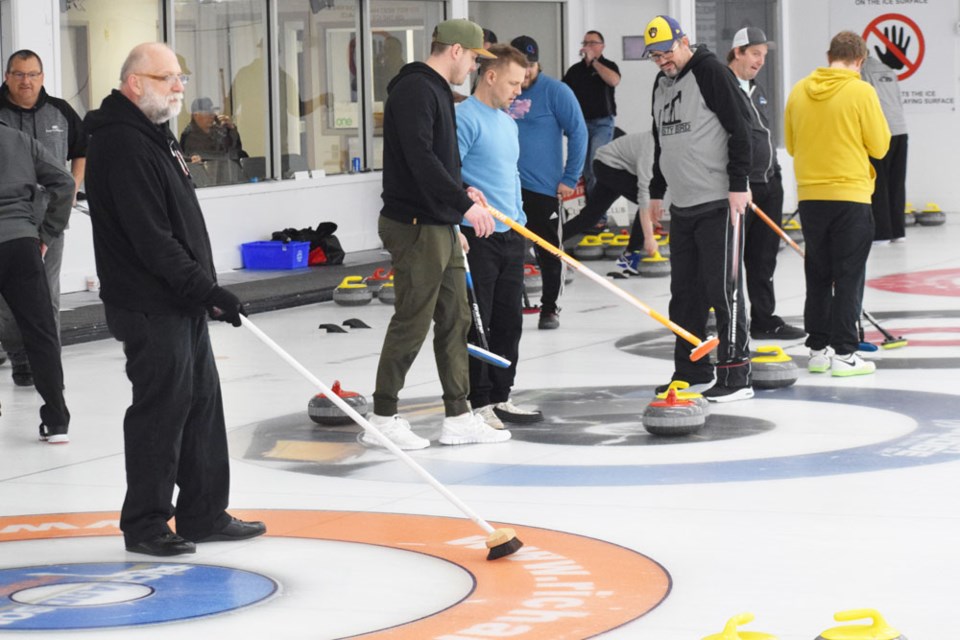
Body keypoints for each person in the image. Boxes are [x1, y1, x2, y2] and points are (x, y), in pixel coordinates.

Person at [83, 42, 266, 556]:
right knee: (162, 411)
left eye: (180, 78)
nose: (180, 88)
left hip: (179, 299)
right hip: (147, 302)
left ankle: (204, 512)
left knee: (202, 404)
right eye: (168, 79)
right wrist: (207, 288)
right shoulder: (121, 143)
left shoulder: (155, 135)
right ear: (135, 82)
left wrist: (201, 291)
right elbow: (152, 239)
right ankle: (144, 523)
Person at [371, 19, 509, 450]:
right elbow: (419, 159)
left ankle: (459, 415)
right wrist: (462, 207)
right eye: (472, 58)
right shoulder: (416, 89)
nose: (472, 67)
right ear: (454, 50)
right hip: (415, 226)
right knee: (413, 320)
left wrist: (460, 193)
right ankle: (382, 416)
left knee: (456, 318)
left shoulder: (436, 92)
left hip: (438, 223)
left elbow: (438, 161)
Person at [644, 15, 754, 402]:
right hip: (684, 204)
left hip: (718, 202)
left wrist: (739, 185)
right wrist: (657, 190)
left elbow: (740, 129)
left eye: (667, 52)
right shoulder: (661, 83)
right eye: (655, 56)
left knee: (724, 290)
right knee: (684, 294)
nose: (662, 61)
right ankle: (690, 371)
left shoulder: (709, 72)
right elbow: (660, 142)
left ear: (684, 41)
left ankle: (736, 375)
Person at [785, 31, 890, 377]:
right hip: (850, 196)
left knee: (817, 273)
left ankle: (817, 350)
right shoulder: (861, 91)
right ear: (859, 61)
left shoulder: (799, 90)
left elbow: (792, 143)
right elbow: (880, 146)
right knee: (848, 276)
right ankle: (845, 354)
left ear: (829, 54)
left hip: (811, 196)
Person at [457, 43, 544, 429]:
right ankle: (477, 402)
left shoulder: (508, 122)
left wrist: (522, 223)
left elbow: (510, 178)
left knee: (511, 321)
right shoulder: (463, 118)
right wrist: (453, 221)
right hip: (477, 235)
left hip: (511, 235)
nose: (518, 91)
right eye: (513, 82)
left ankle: (501, 396)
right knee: (479, 321)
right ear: (489, 76)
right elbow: (445, 175)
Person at [0, 50, 86, 387]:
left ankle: (47, 365)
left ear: (42, 77)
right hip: (8, 223)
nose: (26, 81)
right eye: (19, 74)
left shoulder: (61, 111)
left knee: (46, 295)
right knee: (6, 302)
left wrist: (73, 189)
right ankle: (21, 358)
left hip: (50, 221)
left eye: (33, 74)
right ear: (7, 76)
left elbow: (81, 150)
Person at [726, 27, 805, 341]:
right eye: (755, 53)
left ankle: (763, 319)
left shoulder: (755, 89)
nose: (761, 60)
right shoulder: (724, 88)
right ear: (738, 52)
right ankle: (728, 321)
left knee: (763, 257)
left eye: (764, 55)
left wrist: (776, 172)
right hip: (741, 187)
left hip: (769, 182)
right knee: (730, 259)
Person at [0, 119, 73, 443]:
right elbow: (64, 181)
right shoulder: (19, 140)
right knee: (41, 332)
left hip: (20, 239)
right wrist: (46, 232)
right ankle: (57, 422)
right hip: (21, 244)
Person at [509, 35, 587, 330]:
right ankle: (509, 304)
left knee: (549, 250)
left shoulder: (556, 91)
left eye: (530, 65)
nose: (525, 72)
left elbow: (579, 132)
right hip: (507, 190)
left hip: (543, 189)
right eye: (520, 66)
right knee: (507, 251)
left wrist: (570, 176)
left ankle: (550, 307)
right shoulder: (505, 91)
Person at [561, 130, 660, 273]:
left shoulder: (672, 147)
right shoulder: (651, 149)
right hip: (607, 165)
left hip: (614, 165)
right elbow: (645, 196)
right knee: (648, 203)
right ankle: (630, 256)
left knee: (590, 217)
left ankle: (545, 242)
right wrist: (649, 238)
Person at [563, 31, 620, 204]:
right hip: (580, 126)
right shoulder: (575, 70)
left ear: (601, 46)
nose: (587, 46)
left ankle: (599, 217)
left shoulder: (608, 65)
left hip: (602, 124)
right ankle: (591, 214)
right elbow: (564, 94)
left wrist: (594, 62)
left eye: (592, 43)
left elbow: (614, 81)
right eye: (585, 42)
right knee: (586, 171)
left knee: (597, 168)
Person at [861, 54, 908, 244]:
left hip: (881, 131)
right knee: (896, 183)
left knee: (878, 183)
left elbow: (865, 103)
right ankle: (898, 231)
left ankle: (882, 233)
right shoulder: (888, 70)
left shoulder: (862, 71)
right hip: (900, 129)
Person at [179, 97, 245, 184]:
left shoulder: (219, 131)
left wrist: (231, 130)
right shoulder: (189, 136)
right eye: (207, 111)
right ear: (195, 115)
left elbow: (235, 151)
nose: (212, 115)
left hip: (226, 178)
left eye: (212, 111)